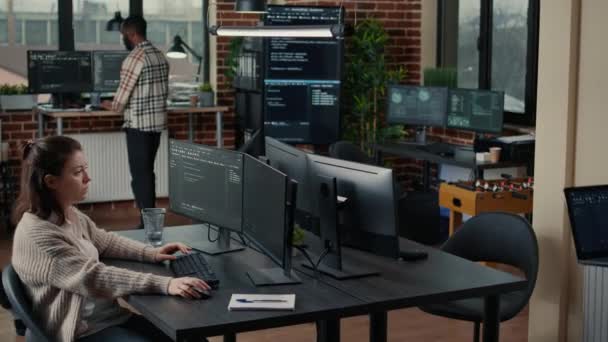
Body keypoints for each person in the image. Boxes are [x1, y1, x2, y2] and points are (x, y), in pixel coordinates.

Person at [11, 136, 210, 342]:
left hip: (108, 318)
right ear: (51, 181)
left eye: (85, 168)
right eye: (78, 172)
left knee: (193, 338)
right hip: (81, 331)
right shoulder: (38, 235)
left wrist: (150, 253)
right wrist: (165, 284)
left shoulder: (68, 213)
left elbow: (104, 241)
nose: (87, 178)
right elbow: (93, 277)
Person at [101, 15, 169, 227]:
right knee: (147, 173)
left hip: (139, 126)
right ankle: (149, 220)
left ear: (131, 34)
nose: (124, 39)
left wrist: (106, 104)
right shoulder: (160, 55)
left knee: (140, 176)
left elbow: (119, 104)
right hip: (156, 125)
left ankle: (148, 223)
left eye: (124, 35)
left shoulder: (134, 58)